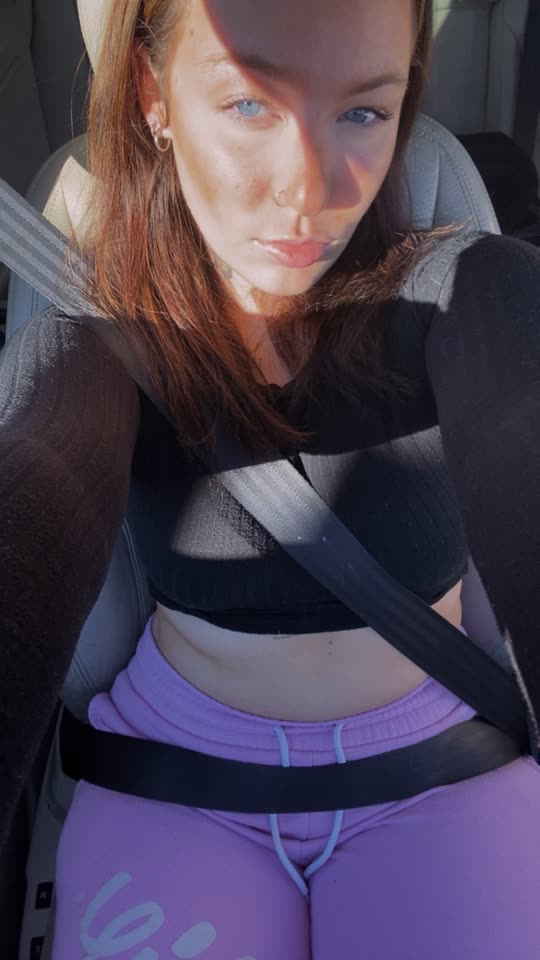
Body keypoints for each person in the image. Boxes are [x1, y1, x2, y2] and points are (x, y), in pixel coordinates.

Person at [1, 0, 540, 956]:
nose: (309, 189)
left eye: (364, 111)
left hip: (445, 767)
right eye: (250, 104)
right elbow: (40, 482)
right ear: (153, 94)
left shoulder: (467, 288)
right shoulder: (102, 336)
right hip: (172, 781)